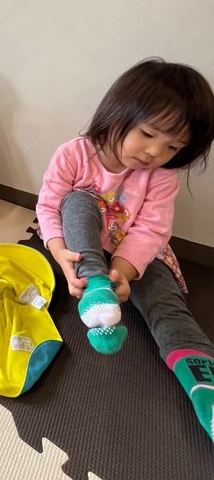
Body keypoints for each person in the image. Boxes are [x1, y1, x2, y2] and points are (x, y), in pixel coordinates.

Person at [36, 58, 214, 442]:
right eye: (148, 134)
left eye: (172, 147)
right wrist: (61, 254)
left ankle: (204, 387)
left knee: (167, 306)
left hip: (138, 256)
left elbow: (152, 229)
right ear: (117, 114)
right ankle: (96, 286)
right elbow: (49, 205)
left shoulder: (162, 177)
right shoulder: (74, 154)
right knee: (77, 201)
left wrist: (126, 270)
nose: (155, 152)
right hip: (86, 252)